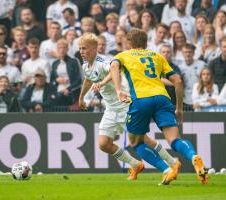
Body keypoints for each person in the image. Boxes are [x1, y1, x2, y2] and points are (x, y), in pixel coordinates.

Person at [78, 33, 181, 185]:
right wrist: (81, 98)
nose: (81, 51)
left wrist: (103, 83)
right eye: (80, 48)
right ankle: (135, 164)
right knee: (103, 144)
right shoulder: (86, 66)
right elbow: (88, 78)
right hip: (111, 109)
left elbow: (116, 71)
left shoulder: (104, 61)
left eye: (84, 48)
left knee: (143, 140)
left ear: (94, 49)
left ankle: (170, 165)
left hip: (125, 104)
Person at [110, 28, 209, 185]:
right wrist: (179, 108)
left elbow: (114, 67)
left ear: (129, 43)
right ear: (146, 43)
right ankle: (193, 156)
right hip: (162, 98)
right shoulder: (157, 56)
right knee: (174, 139)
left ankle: (167, 169)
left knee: (137, 142)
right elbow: (178, 81)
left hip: (141, 100)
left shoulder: (123, 55)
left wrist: (118, 90)